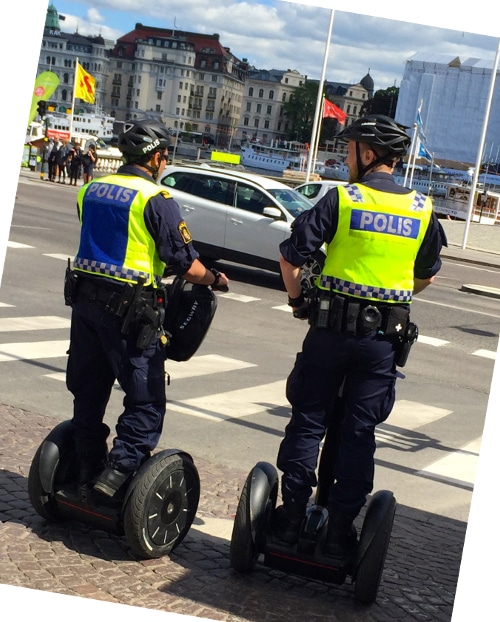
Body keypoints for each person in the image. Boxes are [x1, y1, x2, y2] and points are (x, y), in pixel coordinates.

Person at [273, 114, 447, 557]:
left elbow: (291, 259)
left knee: (309, 419)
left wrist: (298, 304)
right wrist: (390, 293)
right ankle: (339, 533)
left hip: (329, 333)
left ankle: (290, 519)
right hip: (381, 344)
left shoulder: (342, 199)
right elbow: (424, 276)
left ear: (368, 155)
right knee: (358, 432)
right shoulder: (422, 209)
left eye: (350, 149)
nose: (346, 156)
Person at [66, 119, 229, 498]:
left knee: (88, 390)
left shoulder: (90, 189)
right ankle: (118, 473)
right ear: (155, 158)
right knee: (146, 397)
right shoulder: (155, 199)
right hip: (131, 312)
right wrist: (215, 279)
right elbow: (185, 264)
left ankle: (86, 465)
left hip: (85, 302)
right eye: (165, 157)